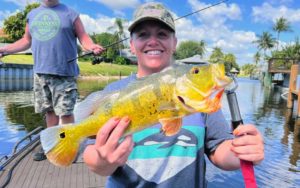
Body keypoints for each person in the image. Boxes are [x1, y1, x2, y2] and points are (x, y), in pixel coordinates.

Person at [83, 2, 264, 187]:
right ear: (131, 44)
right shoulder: (113, 92)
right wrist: (101, 162)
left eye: (162, 34)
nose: (153, 41)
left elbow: (218, 149)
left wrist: (242, 151)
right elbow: (90, 152)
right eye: (143, 34)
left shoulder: (200, 98)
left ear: (174, 42)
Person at [0, 0, 104, 161]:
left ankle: (70, 145)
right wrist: (4, 49)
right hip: (41, 73)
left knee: (66, 112)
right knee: (49, 111)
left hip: (64, 73)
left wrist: (92, 47)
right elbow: (26, 40)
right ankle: (52, 145)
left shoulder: (71, 14)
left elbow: (84, 38)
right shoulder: (32, 15)